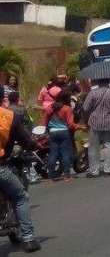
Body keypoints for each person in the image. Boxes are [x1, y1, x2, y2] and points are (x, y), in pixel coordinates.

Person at [0, 101, 41, 251]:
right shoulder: (8, 116)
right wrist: (34, 145)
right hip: (2, 167)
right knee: (20, 197)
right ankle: (29, 239)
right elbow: (26, 140)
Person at [80, 78, 110, 177]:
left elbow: (85, 108)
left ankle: (94, 170)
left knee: (93, 147)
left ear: (98, 82)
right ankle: (108, 169)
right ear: (108, 81)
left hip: (94, 122)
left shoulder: (92, 93)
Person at [42, 91, 79, 182]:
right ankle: (66, 176)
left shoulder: (50, 107)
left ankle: (50, 178)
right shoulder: (67, 108)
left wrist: (46, 131)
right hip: (64, 132)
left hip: (52, 132)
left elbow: (43, 121)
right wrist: (80, 127)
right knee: (65, 154)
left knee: (53, 155)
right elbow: (70, 124)